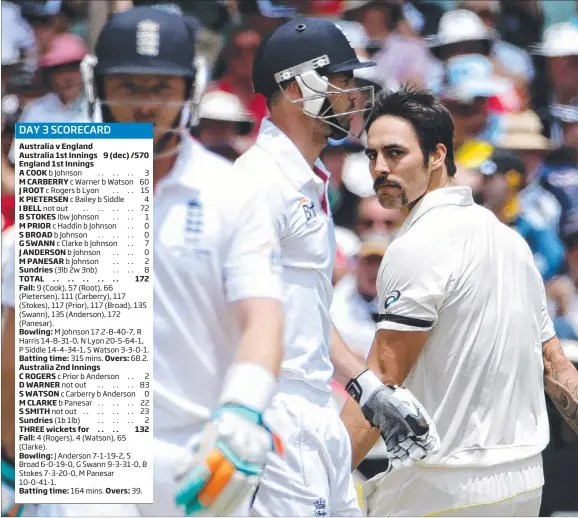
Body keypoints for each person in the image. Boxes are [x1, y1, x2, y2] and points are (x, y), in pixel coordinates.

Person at [2, 6, 285, 517]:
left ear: (191, 87)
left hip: (199, 455)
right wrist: (11, 460)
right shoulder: (69, 180)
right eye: (128, 84)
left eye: (161, 87)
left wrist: (244, 408)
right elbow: (23, 337)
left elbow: (261, 314)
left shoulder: (232, 190)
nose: (145, 103)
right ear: (95, 82)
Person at [221, 16, 438, 517]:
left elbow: (309, 314)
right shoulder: (259, 182)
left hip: (315, 408)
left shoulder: (307, 179)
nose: (352, 96)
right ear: (302, 85)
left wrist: (367, 388)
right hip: (277, 414)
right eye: (341, 82)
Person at [340, 85, 578, 516]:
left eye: (395, 153)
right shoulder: (510, 242)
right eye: (371, 155)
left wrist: (325, 478)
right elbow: (557, 367)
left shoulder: (417, 245)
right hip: (524, 484)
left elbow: (384, 378)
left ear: (437, 155)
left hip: (445, 490)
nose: (379, 167)